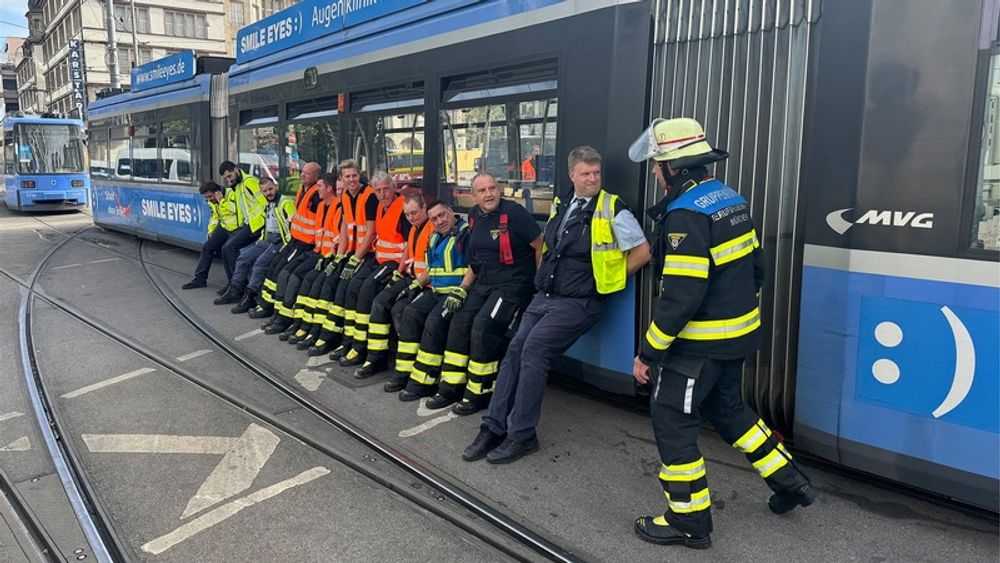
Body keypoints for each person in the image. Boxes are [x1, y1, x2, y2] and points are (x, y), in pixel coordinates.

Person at [627, 118, 814, 549]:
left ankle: (689, 521)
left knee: (673, 422)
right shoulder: (729, 199)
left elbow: (681, 297)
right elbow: (757, 267)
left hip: (699, 345)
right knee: (731, 412)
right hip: (739, 335)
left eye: (658, 165)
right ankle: (792, 483)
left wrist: (648, 354)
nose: (655, 172)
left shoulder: (685, 215)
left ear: (675, 167)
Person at [462, 146, 651, 464]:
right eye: (586, 173)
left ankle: (522, 435)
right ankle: (493, 427)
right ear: (572, 175)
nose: (593, 179)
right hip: (546, 296)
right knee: (514, 351)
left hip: (580, 301)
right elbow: (548, 247)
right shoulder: (563, 205)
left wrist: (605, 281)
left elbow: (643, 252)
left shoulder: (613, 207)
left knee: (534, 350)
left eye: (596, 173)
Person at [426, 172, 542, 413]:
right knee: (459, 320)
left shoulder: (515, 213)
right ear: (473, 195)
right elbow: (474, 261)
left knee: (483, 325)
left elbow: (540, 245)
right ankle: (451, 386)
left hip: (513, 284)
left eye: (492, 188)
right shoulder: (475, 216)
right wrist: (463, 288)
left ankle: (480, 392)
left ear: (499, 190)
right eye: (482, 190)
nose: (489, 194)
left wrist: (538, 285)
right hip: (484, 282)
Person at [387, 200, 469, 399]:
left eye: (443, 215)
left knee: (434, 321)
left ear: (451, 211)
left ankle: (424, 381)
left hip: (456, 293)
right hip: (436, 291)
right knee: (410, 313)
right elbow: (432, 270)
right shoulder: (434, 238)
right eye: (434, 219)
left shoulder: (465, 234)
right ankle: (404, 373)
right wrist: (415, 285)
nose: (440, 221)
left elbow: (473, 267)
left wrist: (462, 290)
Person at [354, 193, 433, 379]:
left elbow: (433, 265)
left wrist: (415, 284)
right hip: (410, 276)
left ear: (424, 208)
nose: (411, 218)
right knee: (380, 301)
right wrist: (399, 271)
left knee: (401, 310)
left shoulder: (432, 228)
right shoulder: (415, 227)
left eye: (414, 213)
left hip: (425, 283)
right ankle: (376, 358)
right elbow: (408, 250)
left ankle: (406, 365)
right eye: (407, 215)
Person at [338, 173, 407, 366]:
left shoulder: (403, 208)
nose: (383, 194)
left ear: (393, 188)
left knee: (368, 290)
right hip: (379, 260)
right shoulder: (379, 206)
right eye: (378, 190)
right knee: (353, 286)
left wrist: (398, 272)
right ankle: (349, 341)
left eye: (386, 189)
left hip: (394, 263)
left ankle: (362, 350)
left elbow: (411, 244)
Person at [261, 163, 326, 334]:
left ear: (316, 177)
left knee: (286, 274)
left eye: (307, 173)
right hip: (295, 240)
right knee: (276, 266)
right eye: (302, 172)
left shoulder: (316, 196)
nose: (302, 176)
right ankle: (272, 309)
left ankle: (283, 317)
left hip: (306, 244)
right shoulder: (302, 190)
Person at [285, 173, 345, 348]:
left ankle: (319, 333)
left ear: (329, 188)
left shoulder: (341, 208)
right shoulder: (324, 207)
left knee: (320, 285)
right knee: (306, 280)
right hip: (321, 253)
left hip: (334, 256)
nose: (341, 193)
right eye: (340, 189)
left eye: (343, 190)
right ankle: (303, 326)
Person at [326, 161, 379, 359]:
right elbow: (346, 227)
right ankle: (342, 340)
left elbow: (371, 232)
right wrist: (340, 256)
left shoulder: (370, 196)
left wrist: (355, 259)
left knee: (353, 290)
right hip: (353, 252)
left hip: (368, 254)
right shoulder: (345, 196)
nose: (351, 180)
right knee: (337, 286)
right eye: (347, 176)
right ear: (341, 179)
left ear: (360, 175)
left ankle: (357, 345)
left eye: (354, 175)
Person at [216, 177, 295, 309]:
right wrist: (262, 238)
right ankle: (235, 289)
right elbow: (268, 224)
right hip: (267, 240)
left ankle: (251, 296)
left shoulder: (285, 203)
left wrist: (287, 243)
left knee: (260, 263)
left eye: (270, 189)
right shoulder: (268, 203)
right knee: (243, 258)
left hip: (280, 242)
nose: (268, 193)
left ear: (276, 186)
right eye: (264, 191)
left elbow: (294, 226)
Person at [217, 161, 267, 292]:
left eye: (229, 176)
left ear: (236, 170)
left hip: (257, 225)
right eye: (226, 178)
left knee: (230, 247)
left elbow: (266, 203)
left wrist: (263, 229)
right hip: (247, 224)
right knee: (224, 248)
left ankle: (238, 286)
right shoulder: (238, 185)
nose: (228, 180)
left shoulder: (250, 182)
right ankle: (232, 283)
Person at [183, 181, 239, 289]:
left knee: (227, 250)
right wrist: (211, 230)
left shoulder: (232, 194)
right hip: (224, 227)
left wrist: (222, 201)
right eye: (206, 198)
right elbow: (215, 216)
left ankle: (233, 283)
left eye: (210, 196)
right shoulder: (211, 202)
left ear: (217, 192)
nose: (208, 200)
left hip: (236, 228)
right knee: (207, 247)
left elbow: (236, 210)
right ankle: (200, 279)